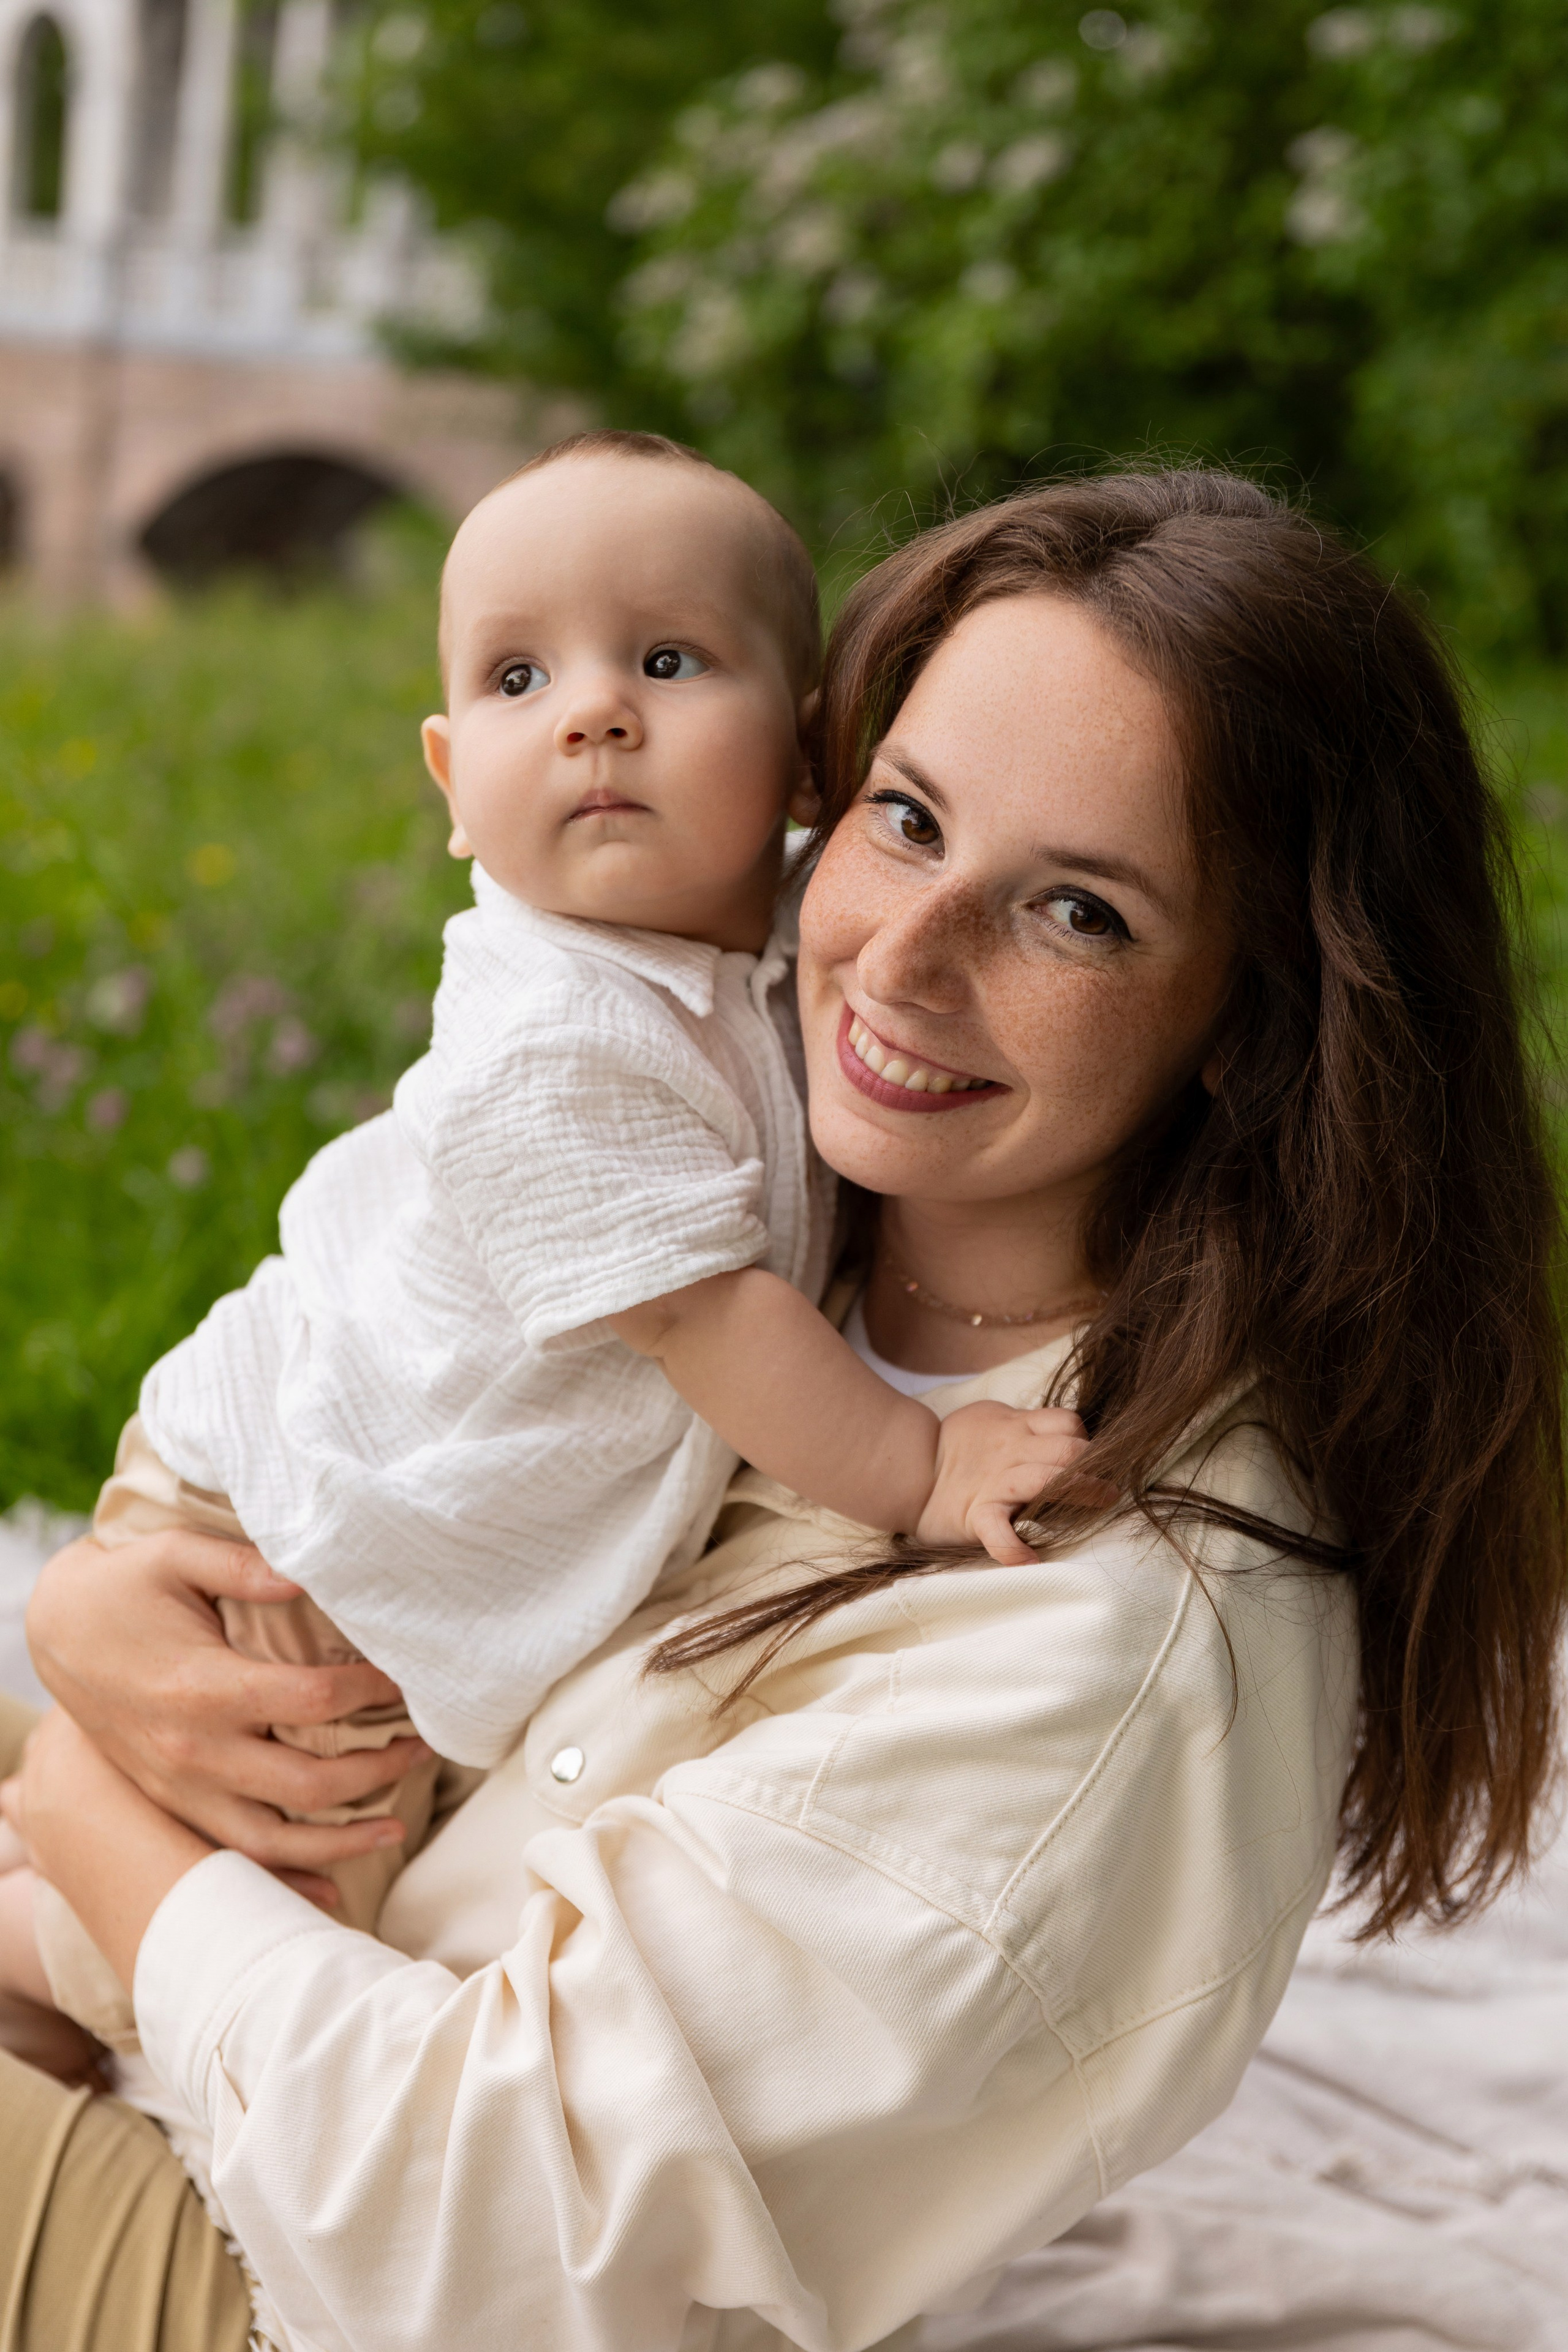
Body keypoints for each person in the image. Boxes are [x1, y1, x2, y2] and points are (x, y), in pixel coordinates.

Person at [2, 468, 1562, 2352]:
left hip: (301, 2278)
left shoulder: (1112, 1609)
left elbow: (476, 2245)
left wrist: (90, 1805)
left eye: (1077, 912)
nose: (900, 958)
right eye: (906, 820)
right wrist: (108, 1611)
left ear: (1252, 1016)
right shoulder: (789, 1205)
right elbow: (380, 1411)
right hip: (236, 2034)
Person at [0, 431, 1084, 2052]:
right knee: (265, 1890)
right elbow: (712, 1321)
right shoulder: (553, 1040)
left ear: (806, 768)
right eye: (519, 677)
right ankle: (30, 1949)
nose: (594, 711)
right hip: (314, 1525)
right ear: (451, 783)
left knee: (222, 1860)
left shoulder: (785, 922)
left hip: (386, 1504)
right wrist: (926, 1471)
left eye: (665, 658)